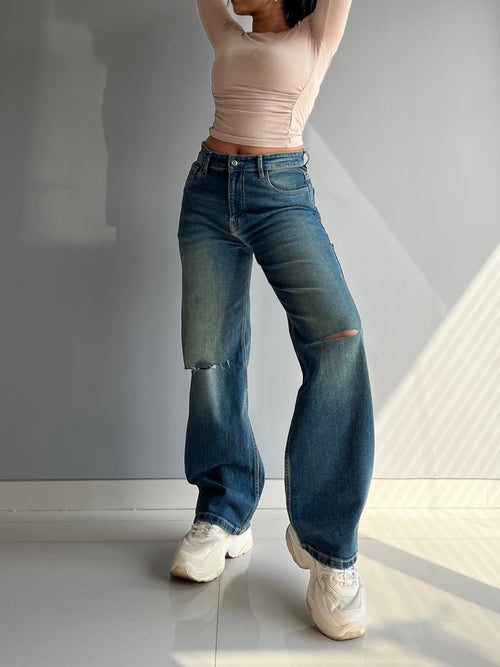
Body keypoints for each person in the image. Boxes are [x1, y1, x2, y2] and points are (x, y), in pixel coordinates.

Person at [170, 0, 375, 641]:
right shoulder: (226, 34)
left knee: (338, 337)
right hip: (207, 192)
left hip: (279, 192)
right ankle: (224, 510)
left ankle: (327, 545)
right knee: (211, 354)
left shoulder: (317, 35)